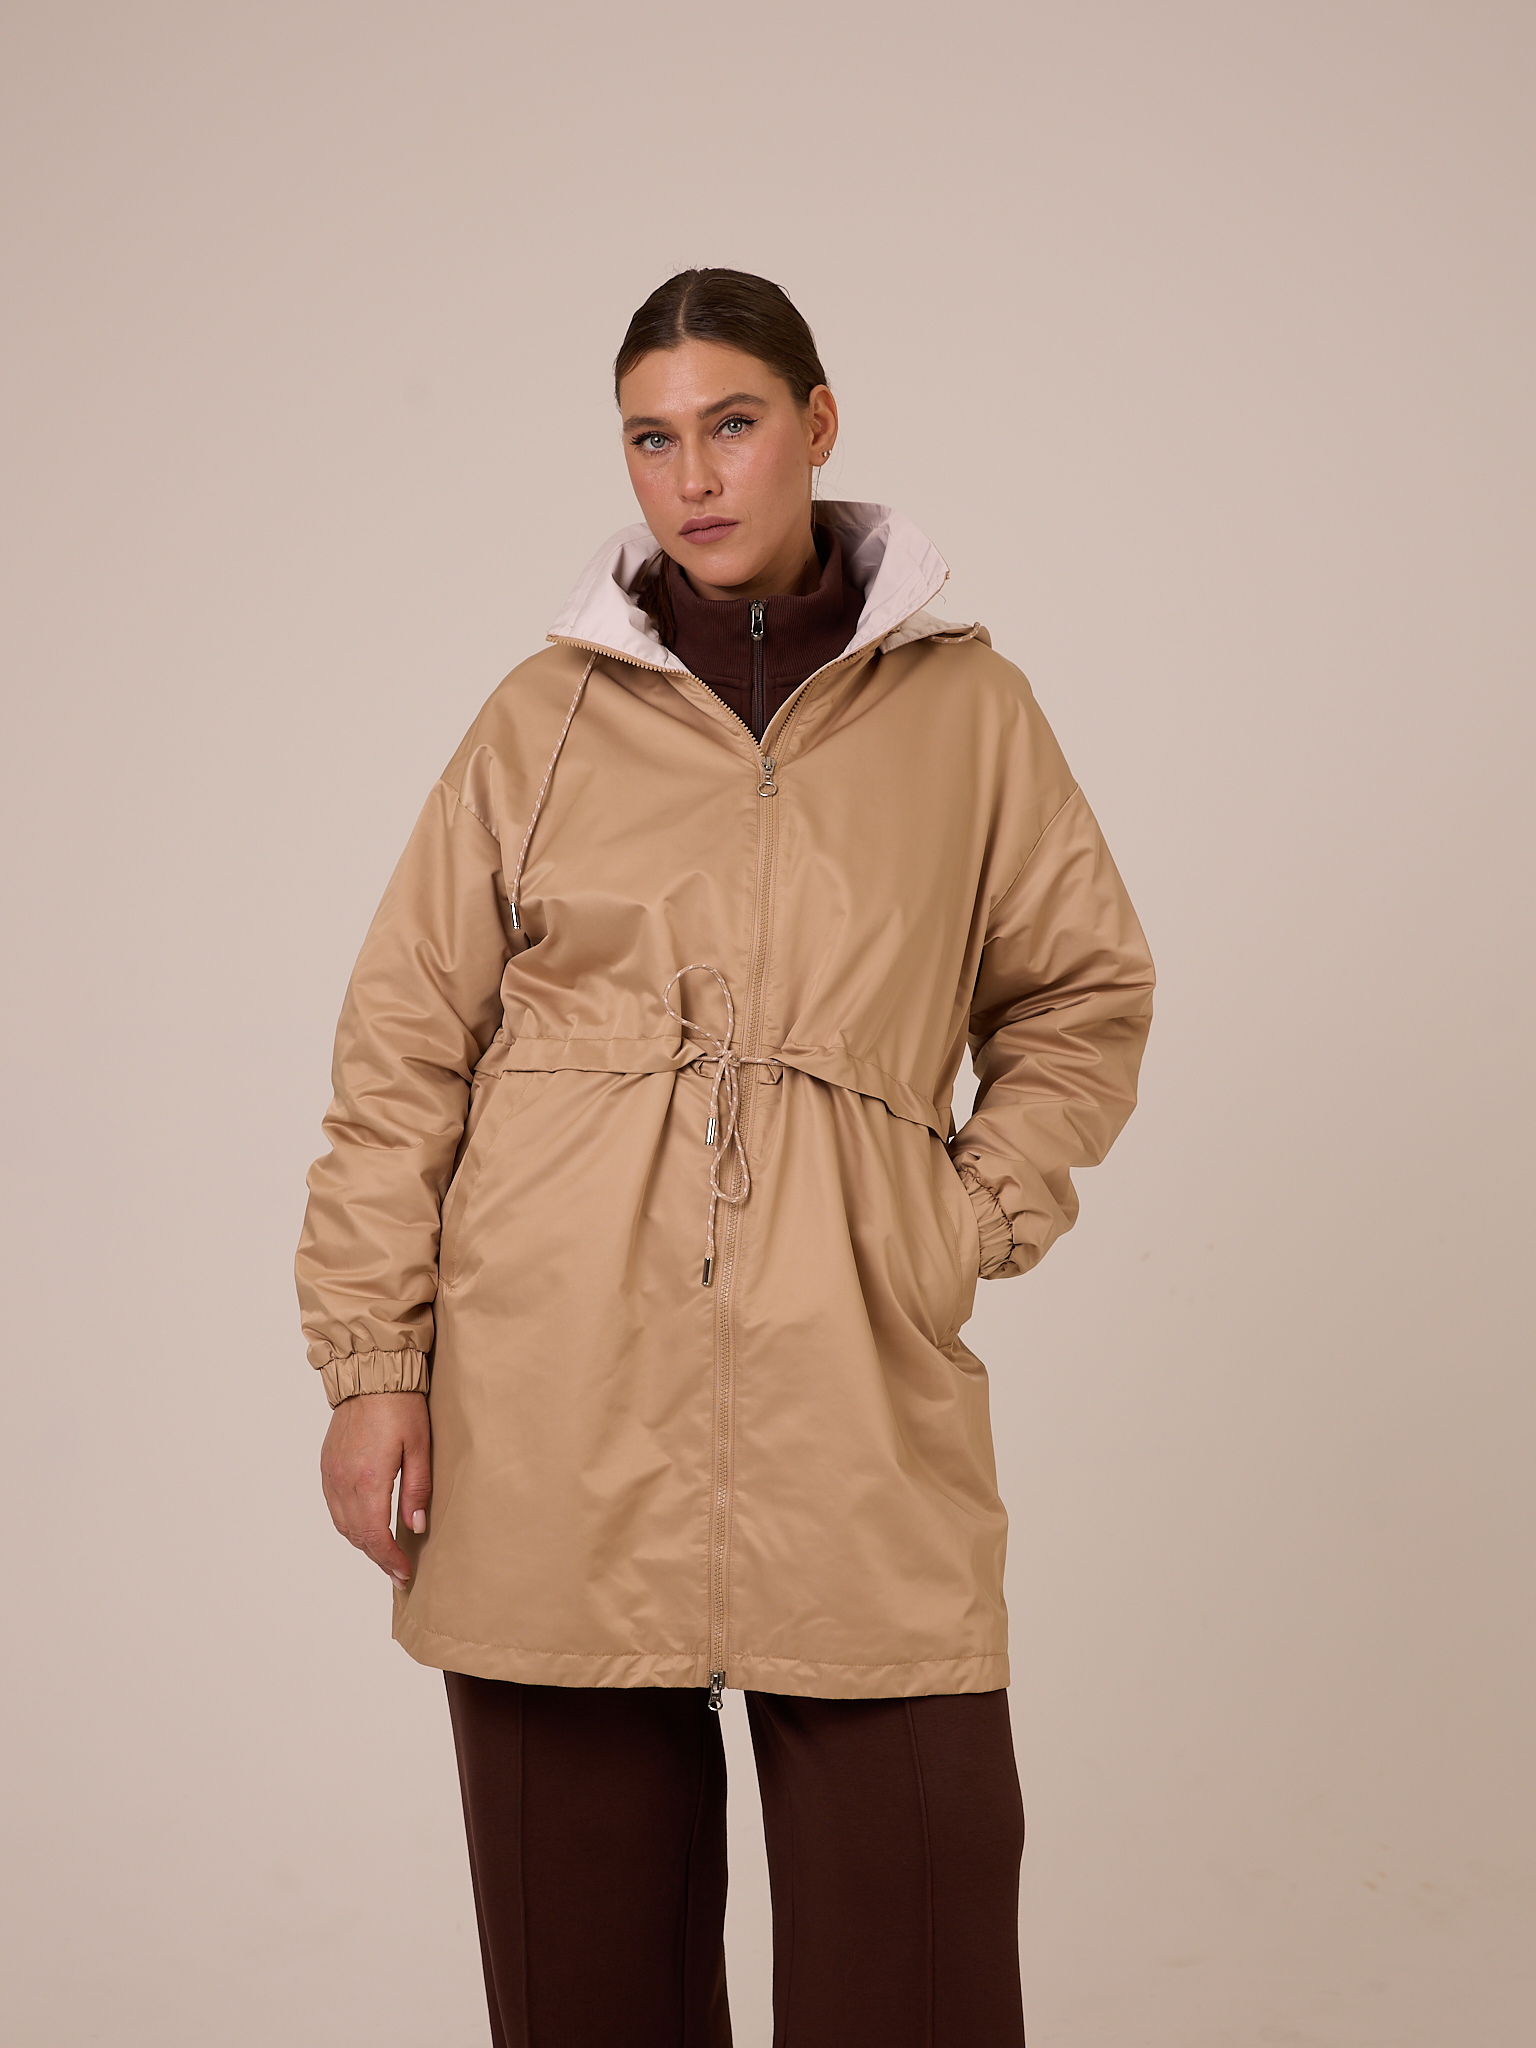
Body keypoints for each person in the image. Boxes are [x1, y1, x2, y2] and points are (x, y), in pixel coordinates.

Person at [296, 267, 1155, 2047]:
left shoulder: (970, 716)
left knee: (920, 1964)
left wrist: (959, 1216)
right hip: (550, 1395)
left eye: (733, 424)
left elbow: (1082, 991)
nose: (691, 476)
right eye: (650, 438)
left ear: (818, 425)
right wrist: (373, 1363)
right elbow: (403, 1050)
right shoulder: (538, 720)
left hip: (855, 1381)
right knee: (584, 1985)